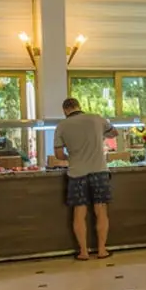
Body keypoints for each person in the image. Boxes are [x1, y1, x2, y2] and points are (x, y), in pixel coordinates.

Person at [54, 97, 117, 261]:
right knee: (101, 211)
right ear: (78, 106)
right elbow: (114, 133)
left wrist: (71, 157)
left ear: (65, 110)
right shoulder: (96, 118)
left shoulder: (62, 126)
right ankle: (102, 250)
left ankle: (83, 252)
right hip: (99, 171)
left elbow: (59, 155)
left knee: (79, 213)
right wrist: (99, 135)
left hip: (77, 173)